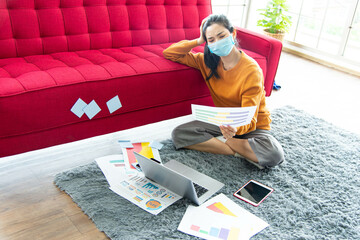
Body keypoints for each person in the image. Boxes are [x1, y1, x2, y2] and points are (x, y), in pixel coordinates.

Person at [163, 14, 284, 169]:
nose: (217, 42)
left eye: (221, 36)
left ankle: (222, 142)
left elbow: (251, 119)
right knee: (179, 133)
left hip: (252, 126)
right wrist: (199, 40)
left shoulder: (251, 70)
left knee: (273, 154)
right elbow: (170, 53)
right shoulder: (206, 62)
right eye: (211, 40)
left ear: (232, 34)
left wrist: (234, 130)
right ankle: (239, 151)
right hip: (224, 122)